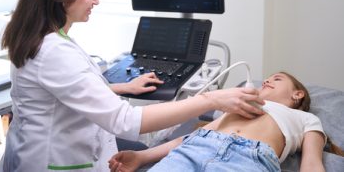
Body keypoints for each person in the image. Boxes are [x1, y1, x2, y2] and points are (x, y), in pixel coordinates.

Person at [0, 0, 265, 172]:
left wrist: (120, 87)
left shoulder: (47, 35)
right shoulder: (53, 51)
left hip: (40, 144)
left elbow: (63, 90)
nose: (97, 0)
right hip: (55, 160)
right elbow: (123, 121)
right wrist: (212, 99)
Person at [108, 72, 341, 172]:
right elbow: (188, 139)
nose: (267, 81)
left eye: (277, 79)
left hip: (247, 158)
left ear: (297, 94)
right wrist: (141, 157)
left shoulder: (306, 119)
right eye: (266, 79)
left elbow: (311, 163)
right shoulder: (240, 103)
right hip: (194, 149)